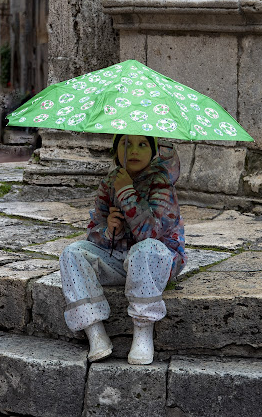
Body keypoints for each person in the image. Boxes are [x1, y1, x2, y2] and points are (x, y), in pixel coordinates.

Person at [59, 134, 186, 365]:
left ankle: (143, 333)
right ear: (116, 150)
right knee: (73, 253)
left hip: (156, 262)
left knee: (144, 250)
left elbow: (151, 234)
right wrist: (108, 229)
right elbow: (93, 232)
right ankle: (96, 333)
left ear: (153, 150)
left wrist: (127, 193)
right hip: (120, 260)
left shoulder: (162, 184)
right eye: (126, 144)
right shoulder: (110, 182)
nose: (134, 151)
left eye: (142, 144)